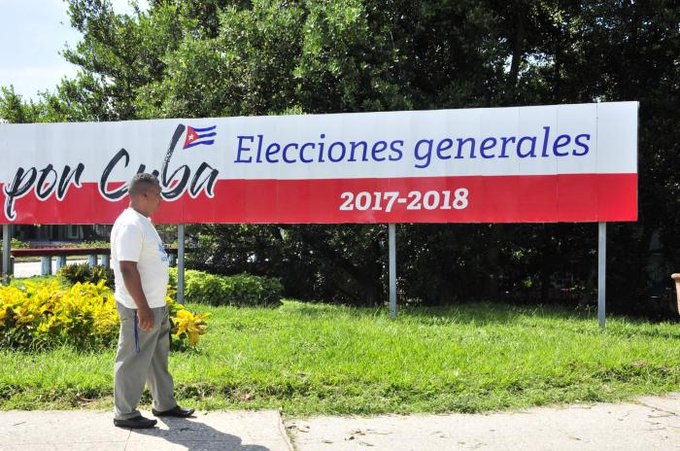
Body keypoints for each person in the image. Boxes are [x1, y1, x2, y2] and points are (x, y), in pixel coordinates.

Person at [110, 173, 194, 428]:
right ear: (144, 194)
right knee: (133, 358)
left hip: (155, 304)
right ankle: (124, 413)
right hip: (139, 306)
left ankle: (164, 404)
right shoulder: (130, 225)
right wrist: (143, 308)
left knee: (157, 357)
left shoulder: (143, 222)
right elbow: (127, 268)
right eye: (158, 194)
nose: (161, 199)